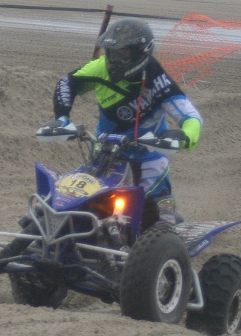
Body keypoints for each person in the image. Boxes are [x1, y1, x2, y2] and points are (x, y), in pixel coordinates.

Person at [51, 18, 202, 226]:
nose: (114, 61)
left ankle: (166, 230)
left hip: (147, 154)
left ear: (141, 53)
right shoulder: (99, 68)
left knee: (157, 209)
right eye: (111, 54)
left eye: (122, 55)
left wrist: (183, 136)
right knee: (79, 194)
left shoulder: (158, 81)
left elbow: (192, 117)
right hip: (105, 150)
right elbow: (67, 83)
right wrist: (61, 119)